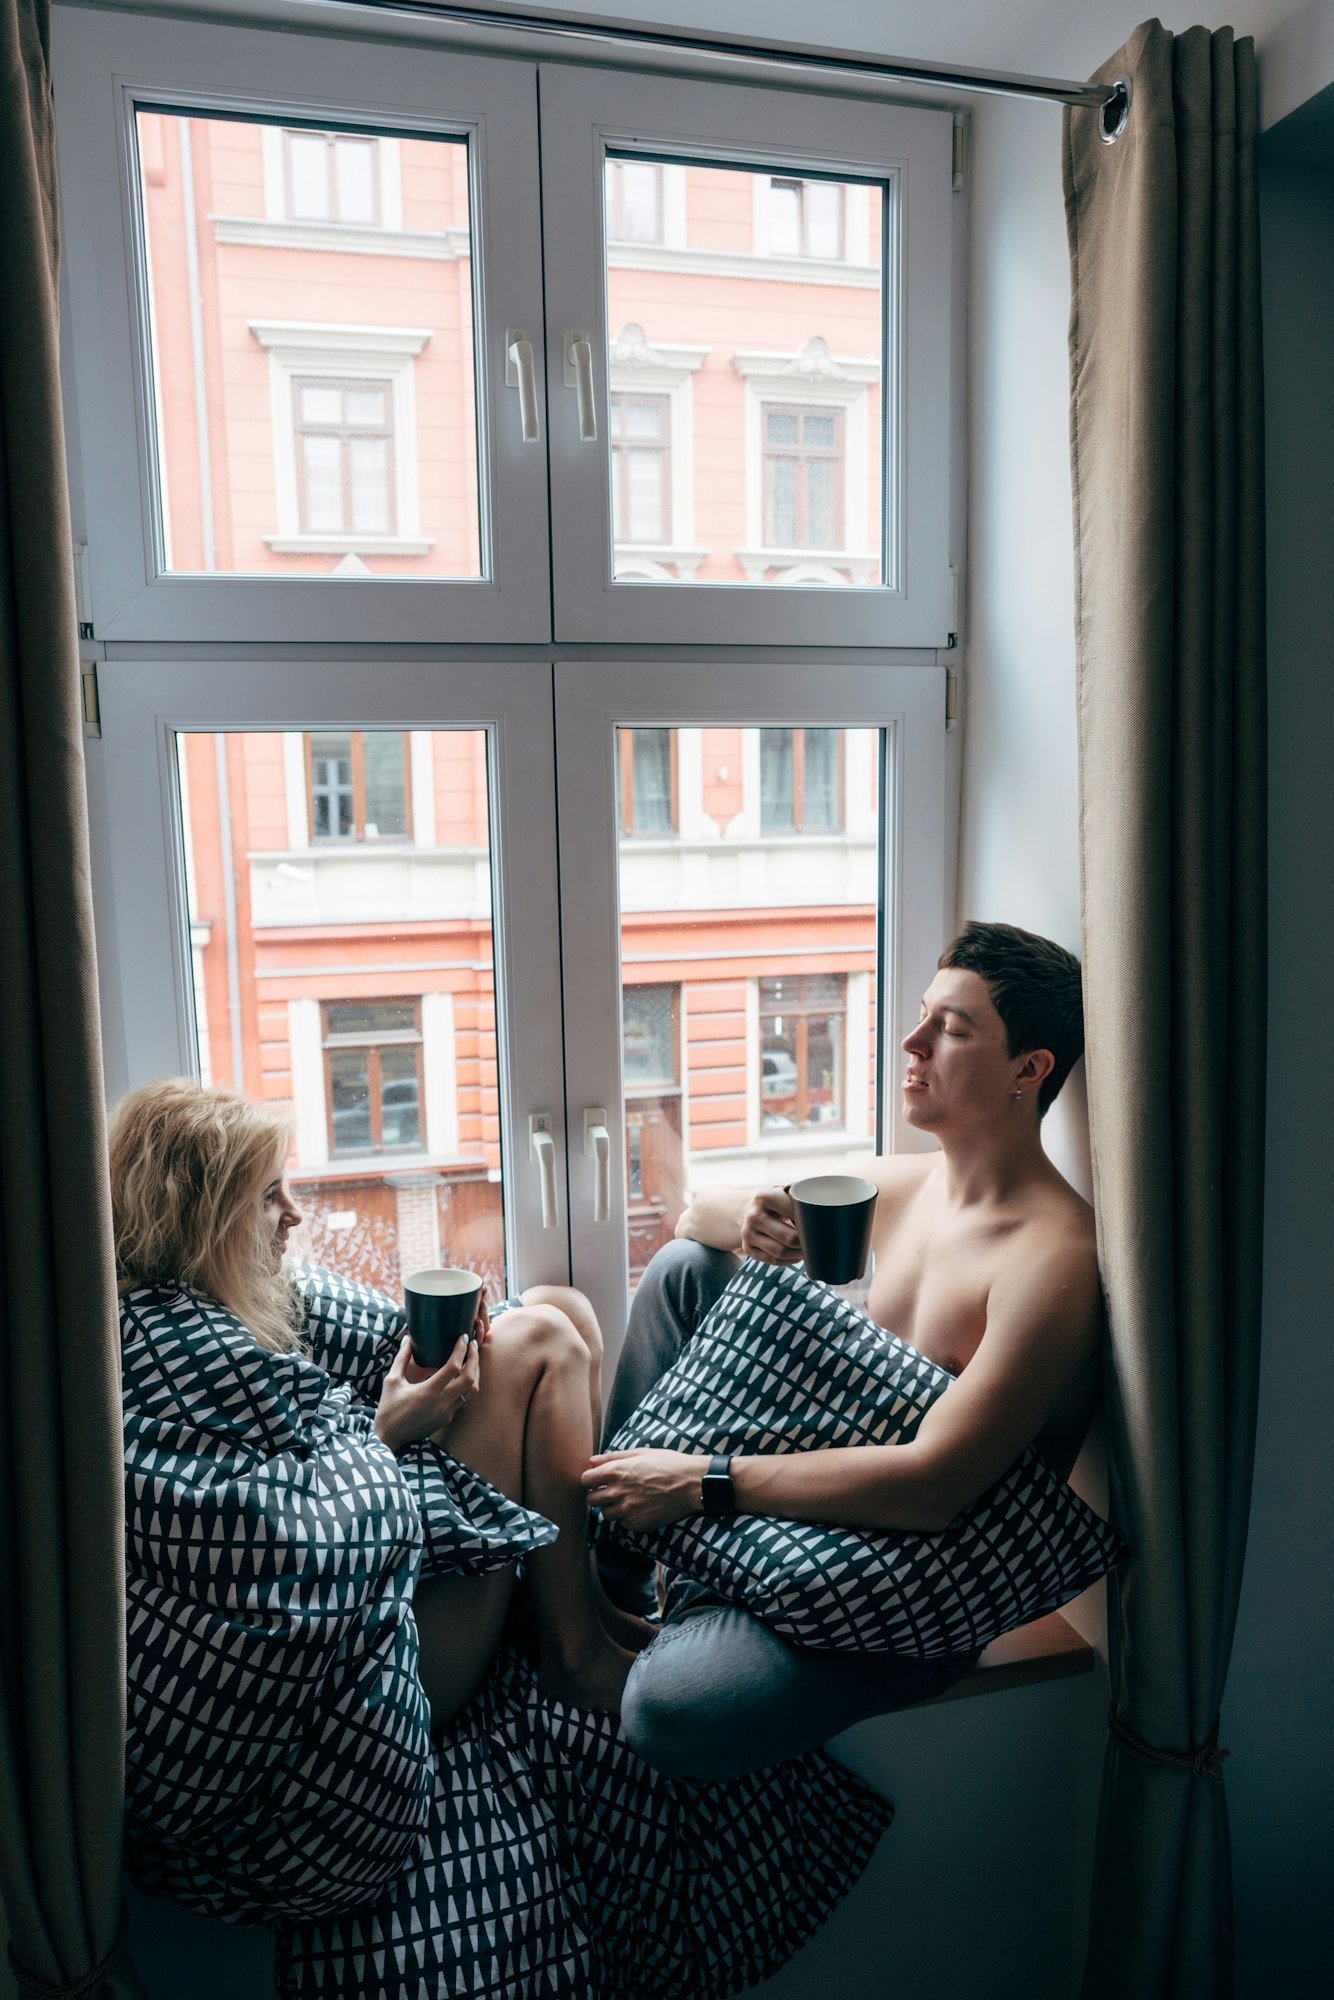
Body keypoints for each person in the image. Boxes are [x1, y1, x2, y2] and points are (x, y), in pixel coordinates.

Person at [587, 919, 1103, 1777]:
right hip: (809, 1514)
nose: (913, 1041)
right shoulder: (904, 1188)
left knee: (665, 1711)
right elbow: (693, 1221)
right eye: (924, 1015)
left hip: (912, 1585)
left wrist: (701, 1484)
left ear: (1029, 1070)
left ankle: (692, 1601)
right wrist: (755, 1219)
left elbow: (939, 1486)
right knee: (686, 1269)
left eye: (953, 1028)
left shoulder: (1053, 1261)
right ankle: (614, 1579)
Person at [110, 1076, 647, 1725]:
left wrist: (454, 1323)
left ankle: (582, 1602)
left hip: (374, 1552)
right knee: (542, 1340)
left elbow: (383, 1334)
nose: (294, 1214)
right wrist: (386, 1436)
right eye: (268, 1197)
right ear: (205, 1219)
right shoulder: (181, 1355)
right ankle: (575, 1655)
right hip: (355, 1665)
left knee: (559, 1308)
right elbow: (299, 1562)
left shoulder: (230, 1285)